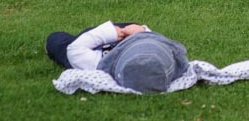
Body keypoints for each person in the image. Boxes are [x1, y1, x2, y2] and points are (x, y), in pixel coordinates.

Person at [46, 21, 189, 94]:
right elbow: (161, 44)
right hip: (129, 34)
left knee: (57, 40)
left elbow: (74, 49)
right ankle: (135, 31)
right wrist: (143, 31)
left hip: (96, 46)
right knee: (133, 25)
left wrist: (108, 33)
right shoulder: (170, 63)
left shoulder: (98, 66)